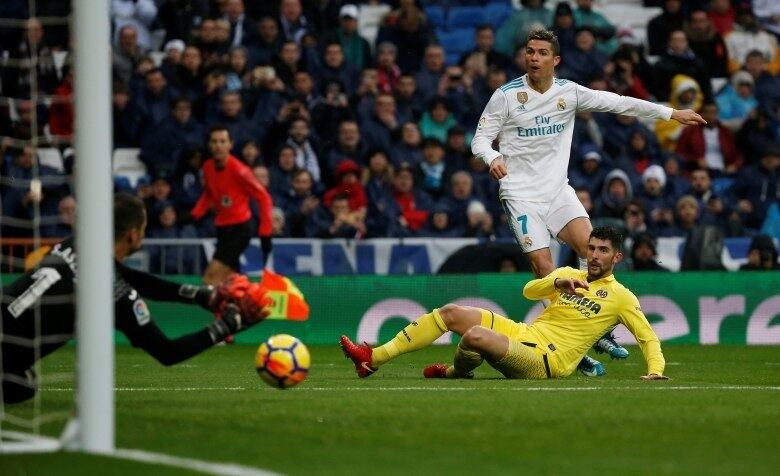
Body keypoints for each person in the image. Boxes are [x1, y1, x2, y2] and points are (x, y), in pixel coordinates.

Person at [470, 28, 704, 373]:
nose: (533, 58)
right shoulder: (505, 96)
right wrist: (493, 159)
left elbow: (619, 103)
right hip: (520, 195)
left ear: (556, 60)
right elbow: (479, 140)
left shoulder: (570, 93)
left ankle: (594, 330)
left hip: (557, 192)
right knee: (546, 271)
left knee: (594, 252)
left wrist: (670, 113)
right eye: (529, 52)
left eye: (541, 53)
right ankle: (572, 343)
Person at [1, 193, 272, 404]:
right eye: (144, 227)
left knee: (20, 383)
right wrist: (227, 325)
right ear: (132, 234)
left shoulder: (75, 243)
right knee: (24, 386)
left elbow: (130, 276)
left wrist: (202, 295)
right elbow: (167, 352)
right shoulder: (113, 292)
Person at [341, 227, 668, 381]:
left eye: (602, 250)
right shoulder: (570, 274)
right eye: (592, 248)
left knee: (475, 337)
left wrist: (656, 370)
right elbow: (528, 291)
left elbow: (647, 336)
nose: (595, 255)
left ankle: (456, 372)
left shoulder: (621, 297)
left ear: (617, 257)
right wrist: (556, 281)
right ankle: (372, 357)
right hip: (525, 333)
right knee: (452, 313)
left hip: (546, 361)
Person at [191, 126, 274, 285]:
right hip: (222, 228)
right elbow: (209, 193)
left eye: (222, 141)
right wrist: (196, 213)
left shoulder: (240, 171)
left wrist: (265, 233)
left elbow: (264, 197)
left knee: (210, 278)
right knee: (229, 282)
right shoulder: (208, 167)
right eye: (214, 141)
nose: (218, 145)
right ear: (209, 145)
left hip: (240, 229)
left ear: (230, 145)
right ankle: (240, 308)